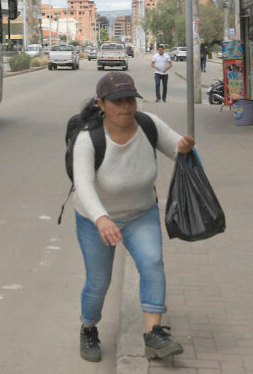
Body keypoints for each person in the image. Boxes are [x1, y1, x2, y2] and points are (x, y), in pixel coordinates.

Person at [72, 72, 195, 362]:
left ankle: (154, 335)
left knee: (152, 262)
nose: (126, 106)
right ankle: (88, 328)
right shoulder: (88, 139)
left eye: (130, 100)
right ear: (102, 103)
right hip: (95, 221)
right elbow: (84, 185)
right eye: (117, 101)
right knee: (99, 282)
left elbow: (177, 149)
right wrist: (102, 218)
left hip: (141, 213)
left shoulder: (149, 125)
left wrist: (185, 149)